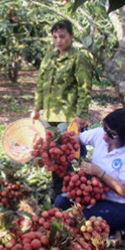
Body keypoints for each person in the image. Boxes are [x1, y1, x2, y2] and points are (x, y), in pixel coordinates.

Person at [54, 108, 125, 234]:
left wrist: (100, 173)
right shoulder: (100, 135)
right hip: (95, 196)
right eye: (105, 128)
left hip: (121, 207)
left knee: (78, 220)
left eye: (112, 134)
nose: (105, 135)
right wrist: (55, 145)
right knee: (61, 201)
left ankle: (112, 233)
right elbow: (75, 139)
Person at [30, 19, 93, 197]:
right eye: (55, 37)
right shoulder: (49, 57)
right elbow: (41, 84)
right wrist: (37, 108)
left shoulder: (78, 58)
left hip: (69, 116)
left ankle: (75, 192)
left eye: (63, 37)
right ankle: (59, 191)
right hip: (50, 115)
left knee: (67, 155)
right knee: (52, 154)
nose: (59, 40)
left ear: (72, 36)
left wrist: (81, 115)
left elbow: (85, 87)